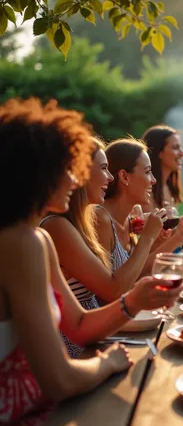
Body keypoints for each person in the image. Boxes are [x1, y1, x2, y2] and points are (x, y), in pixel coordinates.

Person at [0, 98, 183, 426]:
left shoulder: (35, 237)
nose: (75, 179)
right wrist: (109, 363)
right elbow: (59, 380)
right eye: (67, 169)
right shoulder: (18, 243)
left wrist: (136, 301)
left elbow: (81, 326)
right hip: (20, 420)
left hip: (42, 399)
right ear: (34, 173)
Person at [41, 137, 167, 357]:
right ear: (79, 174)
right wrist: (147, 238)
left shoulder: (82, 221)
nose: (109, 177)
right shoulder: (57, 226)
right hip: (75, 349)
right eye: (103, 168)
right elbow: (113, 291)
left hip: (98, 337)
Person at [96, 139, 183, 277]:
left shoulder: (130, 219)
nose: (153, 180)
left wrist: (176, 237)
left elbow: (137, 271)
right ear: (124, 176)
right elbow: (114, 291)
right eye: (147, 172)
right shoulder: (102, 220)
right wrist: (148, 237)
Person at [142, 124, 183, 210]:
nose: (182, 153)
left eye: (180, 147)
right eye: (176, 147)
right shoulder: (145, 191)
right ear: (159, 152)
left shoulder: (168, 187)